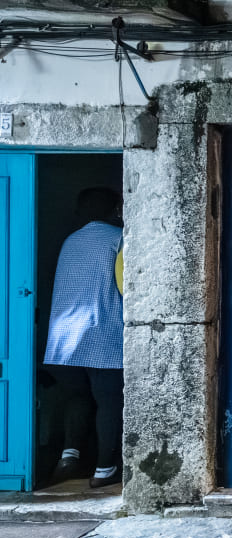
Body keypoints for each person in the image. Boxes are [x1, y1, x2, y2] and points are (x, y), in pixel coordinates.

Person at [45, 186, 125, 489]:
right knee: (108, 400)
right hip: (101, 334)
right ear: (115, 210)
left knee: (78, 396)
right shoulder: (118, 240)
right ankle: (104, 469)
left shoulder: (70, 241)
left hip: (63, 340)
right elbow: (125, 285)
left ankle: (69, 457)